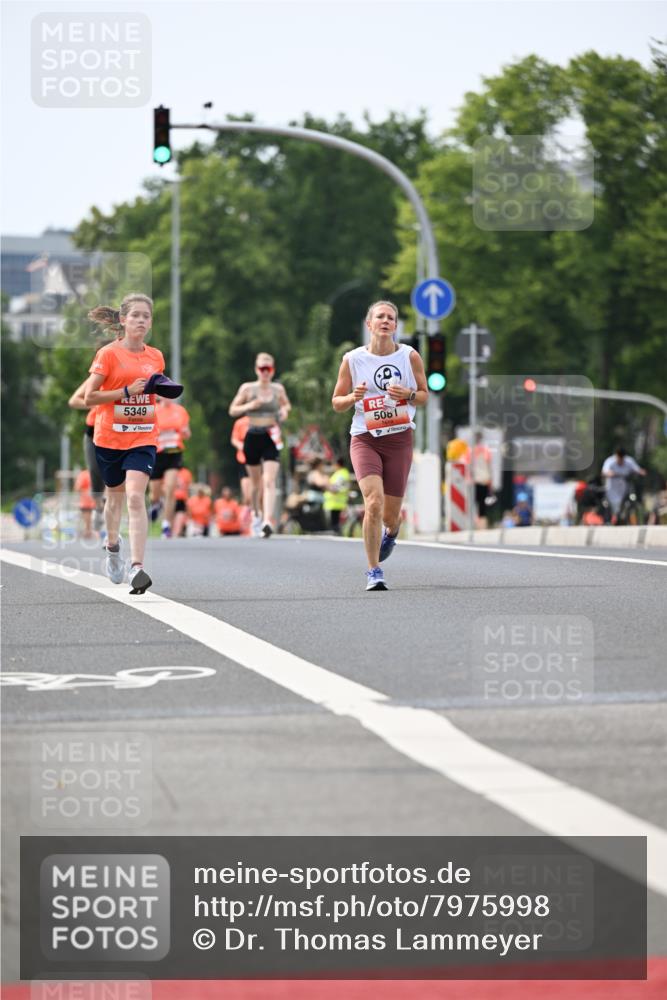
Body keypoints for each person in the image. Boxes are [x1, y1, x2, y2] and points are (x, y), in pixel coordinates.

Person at [332, 300, 428, 590]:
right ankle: (373, 570)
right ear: (369, 324)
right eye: (380, 317)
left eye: (390, 318)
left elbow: (424, 395)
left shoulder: (409, 356)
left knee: (390, 514)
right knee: (372, 502)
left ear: (395, 326)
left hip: (398, 438)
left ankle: (392, 531)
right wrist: (353, 397)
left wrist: (408, 395)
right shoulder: (353, 359)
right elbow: (336, 402)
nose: (385, 321)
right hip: (365, 437)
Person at [84, 292, 173, 594]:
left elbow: (153, 387)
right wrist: (124, 392)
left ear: (150, 323)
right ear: (123, 320)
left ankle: (137, 567)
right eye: (135, 315)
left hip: (143, 436)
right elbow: (89, 397)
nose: (140, 320)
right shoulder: (108, 354)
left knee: (136, 497)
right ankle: (112, 547)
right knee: (115, 499)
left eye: (146, 316)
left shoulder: (156, 356)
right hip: (109, 437)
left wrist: (163, 388)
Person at [228, 352, 291, 537]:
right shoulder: (247, 388)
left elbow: (286, 405)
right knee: (255, 484)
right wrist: (248, 406)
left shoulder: (278, 389)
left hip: (271, 436)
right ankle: (256, 514)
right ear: (256, 369)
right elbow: (232, 410)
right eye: (262, 368)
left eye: (268, 369)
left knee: (269, 480)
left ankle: (267, 520)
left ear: (272, 370)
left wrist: (285, 411)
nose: (265, 372)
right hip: (252, 436)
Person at [149, 397, 191, 537]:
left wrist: (185, 433)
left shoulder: (180, 411)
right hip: (157, 453)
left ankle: (166, 524)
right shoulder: (153, 409)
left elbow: (187, 432)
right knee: (154, 492)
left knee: (170, 488)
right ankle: (156, 504)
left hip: (174, 452)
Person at [68, 378, 105, 532]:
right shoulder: (96, 379)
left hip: (116, 432)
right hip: (93, 433)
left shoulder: (126, 379)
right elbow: (73, 400)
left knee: (112, 475)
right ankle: (98, 506)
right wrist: (95, 403)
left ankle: (110, 525)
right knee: (96, 473)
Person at [602, 447, 646, 521]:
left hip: (625, 488)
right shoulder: (610, 461)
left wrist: (641, 472)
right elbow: (604, 472)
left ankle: (627, 517)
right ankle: (613, 519)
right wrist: (613, 474)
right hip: (612, 489)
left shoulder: (629, 461)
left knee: (629, 500)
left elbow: (638, 469)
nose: (621, 461)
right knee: (614, 506)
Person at [468, 432, 493, 529]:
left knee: (474, 503)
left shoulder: (470, 451)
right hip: (484, 479)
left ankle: (475, 524)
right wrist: (491, 481)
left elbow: (468, 466)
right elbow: (489, 467)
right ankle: (482, 525)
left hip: (474, 481)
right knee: (482, 504)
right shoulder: (486, 450)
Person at [230, 415, 254, 509]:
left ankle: (257, 514)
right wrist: (243, 446)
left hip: (259, 460)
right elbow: (234, 439)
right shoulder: (240, 423)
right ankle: (248, 512)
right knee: (247, 495)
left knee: (257, 492)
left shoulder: (261, 420)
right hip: (244, 460)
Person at [323, 455, 351, 534]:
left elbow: (336, 488)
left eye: (333, 464)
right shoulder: (340, 473)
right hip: (335, 503)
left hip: (336, 503)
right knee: (335, 524)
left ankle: (337, 534)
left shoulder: (341, 474)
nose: (332, 466)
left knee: (335, 524)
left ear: (337, 464)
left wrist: (327, 486)